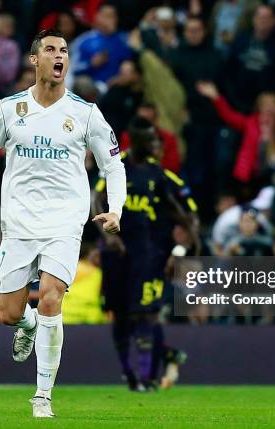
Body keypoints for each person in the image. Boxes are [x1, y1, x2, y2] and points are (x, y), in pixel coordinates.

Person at [0, 29, 126, 418]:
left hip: (65, 221)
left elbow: (113, 164)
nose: (58, 55)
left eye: (64, 50)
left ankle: (43, 396)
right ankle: (27, 325)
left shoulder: (85, 113)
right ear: (35, 60)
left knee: (52, 294)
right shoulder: (8, 108)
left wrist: (116, 208)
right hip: (18, 222)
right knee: (10, 314)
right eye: (50, 50)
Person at [94, 117, 190, 391]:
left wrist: (183, 240)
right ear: (136, 141)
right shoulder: (116, 166)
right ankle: (130, 374)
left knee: (145, 314)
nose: (154, 144)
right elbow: (95, 198)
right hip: (117, 253)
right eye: (149, 139)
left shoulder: (156, 173)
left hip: (146, 255)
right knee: (120, 314)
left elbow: (175, 209)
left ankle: (146, 376)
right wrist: (106, 236)